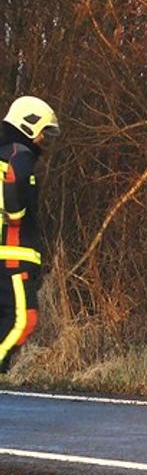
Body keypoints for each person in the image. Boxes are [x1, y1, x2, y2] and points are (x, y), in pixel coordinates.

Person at [0, 96, 59, 374]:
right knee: (22, 320)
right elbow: (15, 177)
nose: (43, 140)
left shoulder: (7, 150)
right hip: (12, 256)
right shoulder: (18, 153)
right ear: (29, 124)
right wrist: (15, 214)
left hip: (10, 256)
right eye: (43, 132)